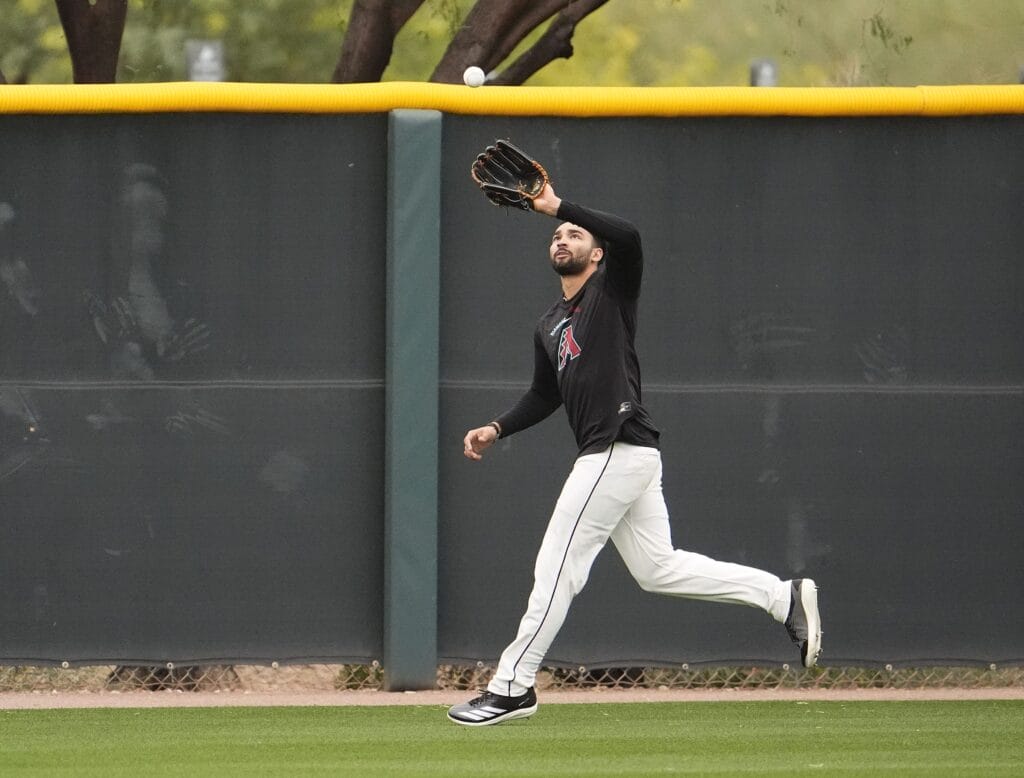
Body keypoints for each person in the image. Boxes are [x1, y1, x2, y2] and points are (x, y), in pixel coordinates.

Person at [447, 182, 821, 727]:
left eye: (574, 233)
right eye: (557, 233)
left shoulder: (611, 290)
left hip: (614, 450)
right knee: (658, 569)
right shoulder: (550, 323)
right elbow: (545, 394)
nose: (562, 236)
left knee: (556, 569)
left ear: (595, 253)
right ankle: (781, 596)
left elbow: (630, 236)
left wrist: (558, 204)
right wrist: (497, 428)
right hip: (626, 457)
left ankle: (512, 686)